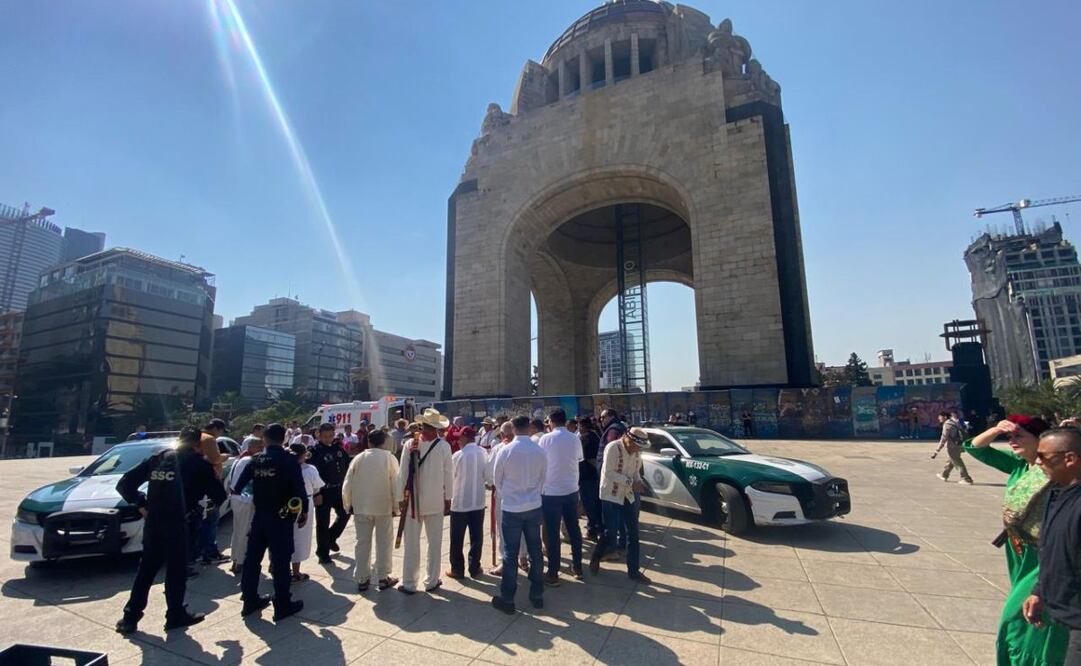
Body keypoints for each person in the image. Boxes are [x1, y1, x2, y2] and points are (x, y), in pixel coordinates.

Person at [966, 416, 1067, 665]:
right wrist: (996, 429)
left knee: (1017, 616)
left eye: (1019, 436)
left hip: (1045, 555)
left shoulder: (1058, 473)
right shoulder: (1021, 465)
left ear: (1041, 440)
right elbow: (975, 448)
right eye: (1010, 437)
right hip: (1019, 552)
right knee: (1028, 611)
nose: (1012, 441)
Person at [114, 427, 225, 635]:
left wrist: (142, 504)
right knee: (176, 571)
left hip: (154, 521)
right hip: (179, 523)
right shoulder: (198, 464)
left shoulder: (158, 458)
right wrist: (214, 470)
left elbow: (125, 484)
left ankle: (130, 617)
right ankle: (175, 614)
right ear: (198, 444)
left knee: (146, 570)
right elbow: (219, 495)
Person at [232, 423, 308, 622]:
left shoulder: (255, 460)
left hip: (260, 517)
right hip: (281, 517)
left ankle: (249, 600)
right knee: (281, 562)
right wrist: (303, 512)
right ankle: (282, 604)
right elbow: (299, 489)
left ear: (264, 439)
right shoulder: (288, 460)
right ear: (284, 439)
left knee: (252, 560)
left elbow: (238, 487)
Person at [1023, 428, 1081, 663]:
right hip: (1064, 610)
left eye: (1044, 457)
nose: (1038, 462)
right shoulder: (1057, 494)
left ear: (1070, 458)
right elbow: (1052, 549)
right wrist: (1040, 591)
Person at [490, 415, 547, 614]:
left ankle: (508, 598)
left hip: (512, 508)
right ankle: (537, 594)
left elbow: (497, 480)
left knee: (510, 554)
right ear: (529, 427)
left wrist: (509, 494)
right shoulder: (539, 450)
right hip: (533, 506)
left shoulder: (505, 451)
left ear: (513, 429)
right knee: (535, 551)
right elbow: (543, 478)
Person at [396, 408, 454, 594]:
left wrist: (399, 498)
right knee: (434, 542)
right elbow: (448, 476)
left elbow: (402, 474)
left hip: (413, 500)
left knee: (412, 543)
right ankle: (431, 580)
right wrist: (448, 498)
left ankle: (409, 583)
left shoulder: (410, 444)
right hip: (434, 500)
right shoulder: (444, 446)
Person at [590, 427, 651, 584]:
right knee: (611, 531)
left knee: (633, 532)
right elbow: (608, 473)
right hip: (611, 494)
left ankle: (634, 570)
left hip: (627, 495)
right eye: (637, 446)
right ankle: (597, 556)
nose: (638, 450)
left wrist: (638, 481)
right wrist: (630, 482)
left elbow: (636, 470)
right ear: (628, 440)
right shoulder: (613, 447)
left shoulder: (637, 452)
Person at [343, 430, 401, 592]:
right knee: (384, 542)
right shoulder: (389, 458)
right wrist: (397, 507)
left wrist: (348, 504)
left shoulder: (358, 458)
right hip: (383, 506)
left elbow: (347, 483)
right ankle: (383, 577)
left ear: (369, 442)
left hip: (361, 506)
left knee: (362, 542)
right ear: (384, 442)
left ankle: (362, 578)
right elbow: (395, 484)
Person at [538, 409, 584, 584]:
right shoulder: (574, 438)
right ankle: (578, 567)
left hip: (551, 492)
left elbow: (541, 462)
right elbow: (578, 460)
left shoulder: (545, 439)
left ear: (551, 421)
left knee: (552, 532)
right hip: (571, 490)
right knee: (574, 529)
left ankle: (553, 572)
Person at [308, 423, 350, 564]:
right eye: (325, 436)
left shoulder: (338, 448)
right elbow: (312, 475)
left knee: (345, 514)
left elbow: (347, 463)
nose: (328, 439)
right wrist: (316, 493)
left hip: (338, 489)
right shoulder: (314, 451)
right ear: (318, 435)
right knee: (322, 523)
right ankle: (322, 552)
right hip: (323, 491)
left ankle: (331, 537)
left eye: (331, 436)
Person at [447, 426, 486, 579]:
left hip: (460, 502)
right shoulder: (483, 453)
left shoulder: (458, 455)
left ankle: (457, 569)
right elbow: (488, 476)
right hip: (478, 501)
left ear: (465, 438)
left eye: (459, 437)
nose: (457, 440)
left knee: (457, 537)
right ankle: (475, 567)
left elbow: (450, 478)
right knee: (477, 536)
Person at [226, 434, 265, 575]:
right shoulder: (249, 461)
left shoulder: (240, 459)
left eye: (263, 446)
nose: (262, 449)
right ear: (250, 447)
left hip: (237, 499)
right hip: (245, 499)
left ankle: (236, 559)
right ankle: (240, 562)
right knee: (245, 531)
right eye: (259, 447)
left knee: (238, 530)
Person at [486, 421, 519, 575]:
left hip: (504, 496)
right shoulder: (527, 447)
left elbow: (490, 477)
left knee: (503, 529)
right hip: (526, 497)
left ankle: (504, 560)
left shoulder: (499, 448)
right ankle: (523, 556)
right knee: (524, 528)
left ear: (502, 434)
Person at [289, 443, 325, 582]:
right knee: (300, 537)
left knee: (284, 535)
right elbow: (317, 487)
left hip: (285, 503)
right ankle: (296, 572)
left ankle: (276, 565)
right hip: (304, 503)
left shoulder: (283, 468)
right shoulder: (309, 469)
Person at [195, 429, 228, 566]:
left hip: (195, 490)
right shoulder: (209, 439)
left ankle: (197, 553)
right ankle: (210, 553)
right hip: (209, 489)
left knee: (199, 523)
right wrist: (225, 456)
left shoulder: (192, 439)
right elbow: (215, 459)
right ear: (216, 429)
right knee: (211, 521)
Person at [578, 416, 603, 541]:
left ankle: (592, 530)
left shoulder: (585, 439)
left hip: (586, 477)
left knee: (589, 505)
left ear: (582, 426)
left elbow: (585, 458)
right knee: (597, 504)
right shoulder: (596, 436)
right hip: (595, 476)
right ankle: (598, 528)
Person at [933, 411, 972, 485]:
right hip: (959, 445)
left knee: (957, 462)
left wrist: (937, 450)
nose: (938, 418)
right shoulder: (954, 423)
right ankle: (944, 475)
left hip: (953, 446)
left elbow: (944, 438)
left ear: (944, 417)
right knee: (951, 460)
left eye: (940, 416)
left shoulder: (947, 425)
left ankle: (966, 479)